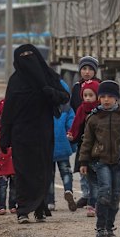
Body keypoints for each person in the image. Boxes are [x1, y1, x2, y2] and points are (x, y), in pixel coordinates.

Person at [0, 44, 70, 224]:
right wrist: (4, 136)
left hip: (43, 133)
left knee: (43, 171)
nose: (27, 58)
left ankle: (40, 207)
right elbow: (8, 110)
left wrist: (51, 93)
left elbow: (65, 96)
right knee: (23, 172)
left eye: (30, 54)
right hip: (21, 134)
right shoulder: (15, 80)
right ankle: (23, 210)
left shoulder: (48, 76)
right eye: (23, 55)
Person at [79, 80, 120, 237]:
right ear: (98, 98)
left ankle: (109, 226)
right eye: (103, 96)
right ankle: (100, 228)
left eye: (110, 96)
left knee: (116, 195)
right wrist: (83, 162)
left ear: (116, 98)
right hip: (100, 161)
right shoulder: (93, 118)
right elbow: (87, 141)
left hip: (119, 162)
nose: (106, 100)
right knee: (104, 192)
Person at [67, 79, 100, 217]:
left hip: (100, 149)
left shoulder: (101, 109)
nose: (87, 98)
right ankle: (92, 204)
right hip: (86, 148)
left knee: (102, 178)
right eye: (85, 95)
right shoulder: (81, 109)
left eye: (90, 95)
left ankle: (101, 202)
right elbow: (76, 125)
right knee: (90, 178)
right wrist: (71, 135)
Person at [47, 79, 77, 212]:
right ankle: (68, 189)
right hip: (63, 146)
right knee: (66, 171)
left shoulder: (45, 109)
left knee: (49, 175)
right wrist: (71, 139)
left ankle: (50, 201)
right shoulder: (67, 109)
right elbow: (72, 125)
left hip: (48, 147)